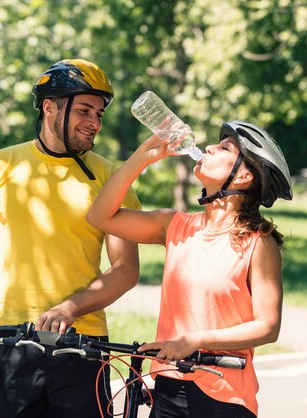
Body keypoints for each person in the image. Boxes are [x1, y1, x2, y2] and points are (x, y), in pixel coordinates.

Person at [0, 58, 141, 418]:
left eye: (99, 114)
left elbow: (126, 269)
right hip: (13, 342)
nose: (94, 123)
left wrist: (71, 307)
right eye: (85, 110)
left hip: (84, 347)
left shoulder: (111, 178)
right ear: (50, 108)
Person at [87, 120, 293, 418]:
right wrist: (142, 157)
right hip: (169, 388)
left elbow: (267, 326)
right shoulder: (176, 226)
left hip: (225, 394)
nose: (209, 147)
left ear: (245, 175)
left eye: (224, 148)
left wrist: (194, 340)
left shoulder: (258, 243)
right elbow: (100, 216)